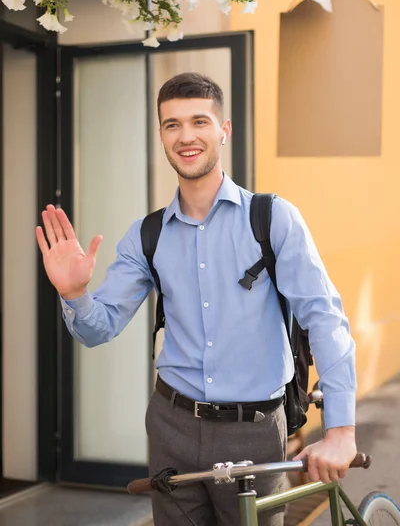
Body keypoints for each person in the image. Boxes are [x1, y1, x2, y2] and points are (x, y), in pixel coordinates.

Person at [36, 72, 357, 526]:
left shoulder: (272, 218)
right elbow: (98, 328)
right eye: (172, 125)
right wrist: (75, 294)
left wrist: (341, 429)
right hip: (172, 427)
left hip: (254, 433)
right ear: (162, 135)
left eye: (199, 121)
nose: (186, 136)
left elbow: (325, 318)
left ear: (223, 130)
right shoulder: (147, 235)